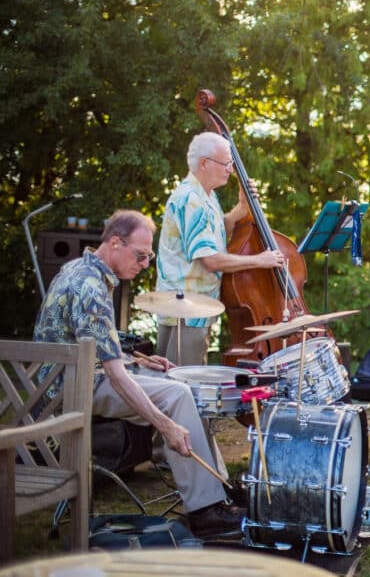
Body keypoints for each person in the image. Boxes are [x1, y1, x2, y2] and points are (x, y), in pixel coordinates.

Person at [33, 210, 241, 538]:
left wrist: (139, 359)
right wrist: (166, 425)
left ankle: (214, 493)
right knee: (178, 394)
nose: (145, 264)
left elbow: (91, 343)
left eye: (150, 256)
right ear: (115, 243)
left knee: (173, 382)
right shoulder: (91, 286)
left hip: (72, 376)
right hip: (70, 389)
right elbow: (115, 376)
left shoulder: (78, 268)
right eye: (141, 255)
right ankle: (205, 511)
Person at [155, 131, 285, 366]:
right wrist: (260, 260)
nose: (230, 169)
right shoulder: (191, 199)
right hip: (185, 309)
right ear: (204, 163)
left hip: (195, 307)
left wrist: (242, 206)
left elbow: (217, 230)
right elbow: (211, 259)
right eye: (226, 163)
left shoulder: (206, 195)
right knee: (182, 381)